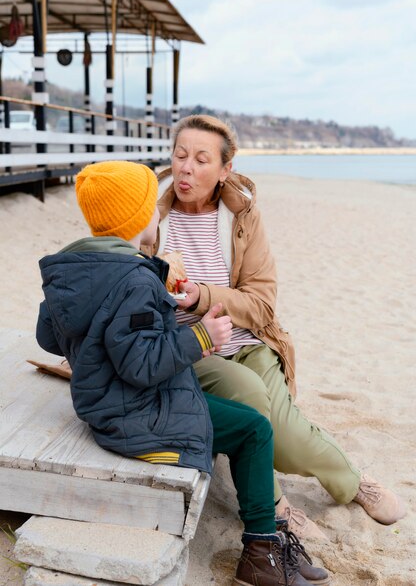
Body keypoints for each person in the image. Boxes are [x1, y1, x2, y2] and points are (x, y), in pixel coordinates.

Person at [36, 160, 331, 586]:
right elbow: (140, 365)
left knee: (243, 418)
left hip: (106, 403)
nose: (158, 211)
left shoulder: (75, 267)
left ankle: (271, 540)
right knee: (254, 430)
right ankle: (261, 551)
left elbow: (50, 335)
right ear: (141, 219)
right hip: (135, 413)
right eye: (151, 206)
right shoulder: (134, 279)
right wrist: (203, 338)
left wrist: (148, 314)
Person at [140, 114, 406, 539]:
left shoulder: (243, 217)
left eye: (202, 159)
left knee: (285, 432)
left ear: (225, 170)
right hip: (189, 349)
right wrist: (144, 240)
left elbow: (262, 303)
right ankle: (273, 501)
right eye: (180, 155)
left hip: (248, 341)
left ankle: (354, 483)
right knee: (247, 395)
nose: (186, 168)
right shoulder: (150, 216)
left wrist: (204, 295)